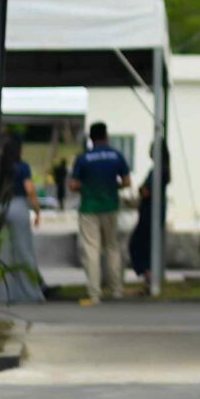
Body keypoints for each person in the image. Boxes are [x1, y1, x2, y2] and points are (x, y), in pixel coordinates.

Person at [70, 124, 132, 304]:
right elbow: (127, 182)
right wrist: (114, 186)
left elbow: (73, 185)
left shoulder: (84, 158)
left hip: (89, 208)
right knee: (112, 247)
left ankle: (94, 293)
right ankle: (117, 289)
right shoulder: (116, 156)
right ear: (106, 136)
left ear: (91, 137)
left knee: (92, 249)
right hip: (111, 206)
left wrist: (86, 187)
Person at [0, 136, 43, 306]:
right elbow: (30, 190)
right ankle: (30, 293)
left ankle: (2, 294)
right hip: (18, 206)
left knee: (2, 253)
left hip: (0, 207)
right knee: (24, 251)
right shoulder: (22, 167)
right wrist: (37, 211)